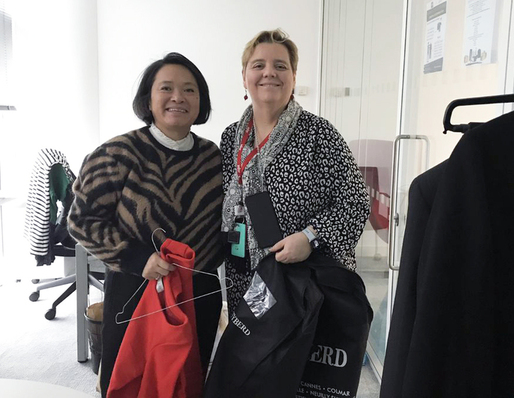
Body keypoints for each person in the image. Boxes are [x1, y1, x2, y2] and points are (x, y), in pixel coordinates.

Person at [68, 52, 223, 397]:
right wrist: (139, 259)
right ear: (148, 99)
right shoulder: (116, 153)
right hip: (135, 292)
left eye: (189, 90)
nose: (178, 98)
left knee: (187, 382)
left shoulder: (215, 158)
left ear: (201, 101)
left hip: (199, 293)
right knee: (131, 383)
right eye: (166, 88)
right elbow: (81, 221)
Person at [221, 29, 370, 313]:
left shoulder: (319, 134)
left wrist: (310, 238)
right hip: (246, 276)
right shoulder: (232, 138)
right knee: (253, 352)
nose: (269, 73)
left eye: (280, 66)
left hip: (306, 283)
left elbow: (356, 204)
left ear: (293, 77)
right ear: (244, 77)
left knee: (296, 355)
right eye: (258, 65)